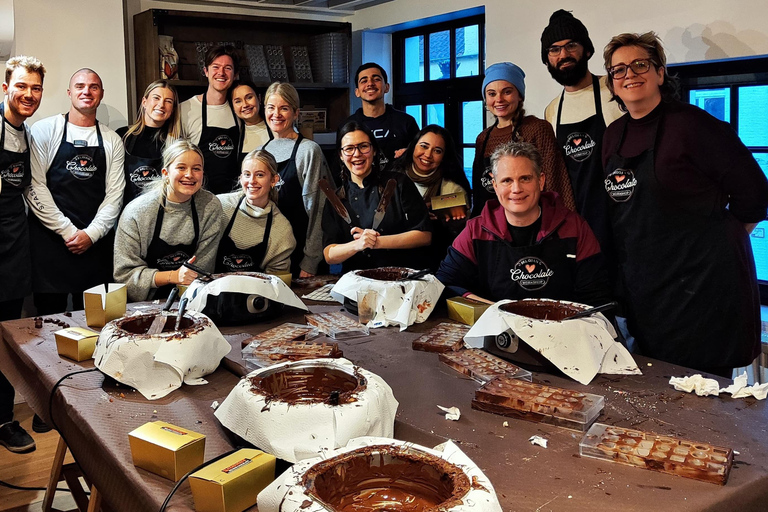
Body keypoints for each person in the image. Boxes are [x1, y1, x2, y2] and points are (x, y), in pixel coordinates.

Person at [601, 32, 768, 377]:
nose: (629, 74)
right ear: (612, 84)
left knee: (705, 401)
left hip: (703, 292)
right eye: (619, 70)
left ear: (660, 73)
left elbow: (754, 194)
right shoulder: (613, 135)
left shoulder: (693, 126)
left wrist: (718, 240)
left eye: (640, 64)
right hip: (649, 291)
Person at [438, 141, 609, 306]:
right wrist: (495, 310)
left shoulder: (575, 227)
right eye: (507, 181)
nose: (516, 189)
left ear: (541, 181)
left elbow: (596, 294)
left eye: (525, 178)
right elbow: (445, 283)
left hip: (563, 328)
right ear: (495, 185)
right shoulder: (475, 231)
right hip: (497, 328)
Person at [27, 68, 125, 315]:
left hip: (96, 246)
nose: (86, 91)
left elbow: (114, 194)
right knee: (48, 323)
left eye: (93, 87)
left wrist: (91, 234)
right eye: (80, 86)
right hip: (50, 243)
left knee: (97, 321)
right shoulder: (44, 130)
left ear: (101, 94)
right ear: (69, 93)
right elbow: (34, 186)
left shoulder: (112, 140)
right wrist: (68, 231)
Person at [541, 10, 624, 258]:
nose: (563, 55)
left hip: (620, 220)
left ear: (587, 50)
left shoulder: (615, 91)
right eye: (554, 49)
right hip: (577, 226)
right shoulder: (552, 110)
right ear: (547, 61)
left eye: (571, 46)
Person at [0, 56, 45, 454]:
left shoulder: (27, 134)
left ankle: (3, 420)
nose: (29, 94)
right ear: (5, 88)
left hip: (13, 242)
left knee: (7, 337)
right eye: (21, 87)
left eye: (36, 88)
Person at [114, 139, 223, 302]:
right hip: (144, 304)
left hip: (190, 300)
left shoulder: (210, 206)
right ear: (165, 173)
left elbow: (202, 269)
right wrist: (173, 276)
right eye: (181, 167)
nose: (189, 175)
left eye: (196, 169)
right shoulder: (137, 212)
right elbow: (124, 276)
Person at [322, 121, 431, 273]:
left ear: (373, 150)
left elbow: (424, 235)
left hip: (401, 277)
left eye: (363, 146)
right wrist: (357, 245)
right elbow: (329, 254)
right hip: (356, 281)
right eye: (349, 149)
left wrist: (376, 242)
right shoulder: (336, 199)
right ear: (341, 155)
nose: (357, 154)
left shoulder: (397, 184)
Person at [471, 61, 575, 217]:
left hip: (533, 221)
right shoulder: (483, 138)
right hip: (492, 224)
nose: (499, 99)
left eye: (507, 92)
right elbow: (479, 192)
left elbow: (555, 180)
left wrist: (563, 221)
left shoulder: (537, 128)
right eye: (492, 94)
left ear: (519, 95)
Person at [260, 82, 328, 277]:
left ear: (296, 113)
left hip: (302, 256)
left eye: (284, 108)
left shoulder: (308, 151)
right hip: (269, 257)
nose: (276, 114)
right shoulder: (260, 153)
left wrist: (311, 260)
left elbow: (318, 210)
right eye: (271, 108)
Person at [392, 124, 471, 270]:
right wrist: (420, 210)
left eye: (437, 151)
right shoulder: (393, 176)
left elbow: (462, 217)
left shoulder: (452, 186)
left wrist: (438, 209)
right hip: (393, 258)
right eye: (423, 146)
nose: (428, 155)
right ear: (413, 146)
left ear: (444, 156)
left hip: (434, 262)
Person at [216, 149, 295, 273]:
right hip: (212, 289)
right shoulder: (220, 206)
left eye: (259, 175)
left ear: (274, 180)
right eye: (247, 174)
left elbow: (277, 283)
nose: (252, 181)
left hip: (256, 291)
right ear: (241, 178)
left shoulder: (281, 229)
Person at [180, 45, 240, 194]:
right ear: (206, 71)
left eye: (228, 68)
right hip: (198, 197)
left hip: (234, 197)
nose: (221, 73)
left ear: (235, 74)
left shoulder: (240, 110)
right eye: (216, 67)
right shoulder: (185, 109)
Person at [117, 79, 181, 205]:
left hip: (161, 215)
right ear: (144, 102)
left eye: (168, 101)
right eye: (156, 98)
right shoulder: (122, 136)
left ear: (172, 109)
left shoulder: (176, 144)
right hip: (125, 215)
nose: (161, 105)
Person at [344, 63, 419, 168]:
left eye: (376, 79)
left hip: (399, 182)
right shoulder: (347, 126)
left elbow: (420, 156)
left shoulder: (406, 122)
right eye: (364, 81)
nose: (370, 83)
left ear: (387, 87)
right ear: (357, 92)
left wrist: (410, 154)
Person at [231, 80, 271, 163]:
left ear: (259, 99)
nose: (245, 105)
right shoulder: (233, 136)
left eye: (249, 97)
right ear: (233, 107)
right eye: (238, 101)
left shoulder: (276, 129)